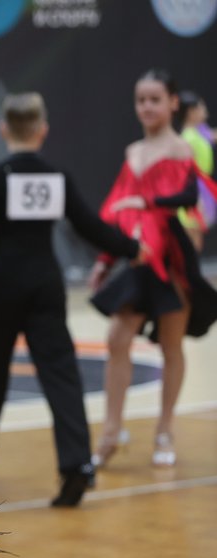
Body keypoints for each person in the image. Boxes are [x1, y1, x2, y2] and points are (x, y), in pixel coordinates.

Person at [0, 92, 147, 506]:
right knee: (61, 375)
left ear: (4, 129)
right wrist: (132, 248)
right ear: (43, 131)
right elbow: (89, 226)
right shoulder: (56, 177)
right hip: (44, 285)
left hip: (2, 286)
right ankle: (76, 466)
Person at [89, 69, 217, 469]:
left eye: (155, 99)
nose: (146, 106)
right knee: (117, 338)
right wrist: (105, 259)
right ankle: (112, 430)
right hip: (138, 256)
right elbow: (118, 212)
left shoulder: (180, 149)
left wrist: (146, 204)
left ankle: (165, 428)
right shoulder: (133, 152)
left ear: (173, 103)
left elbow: (186, 196)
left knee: (170, 342)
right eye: (141, 99)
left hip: (171, 257)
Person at [174, 90, 214, 250]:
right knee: (192, 242)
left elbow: (211, 135)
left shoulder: (199, 131)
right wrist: (193, 198)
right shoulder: (187, 138)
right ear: (191, 112)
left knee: (197, 240)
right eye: (201, 108)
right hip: (193, 193)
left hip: (202, 190)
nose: (205, 111)